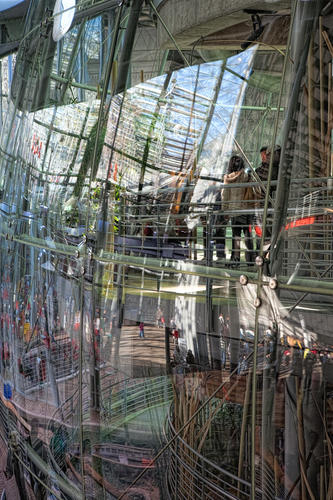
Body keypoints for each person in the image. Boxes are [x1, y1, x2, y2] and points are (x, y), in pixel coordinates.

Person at [221, 155, 254, 266]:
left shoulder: (228, 178)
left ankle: (235, 259)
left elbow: (225, 195)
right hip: (246, 210)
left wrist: (224, 210)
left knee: (236, 236)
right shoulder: (247, 176)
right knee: (247, 234)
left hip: (234, 211)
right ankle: (250, 260)